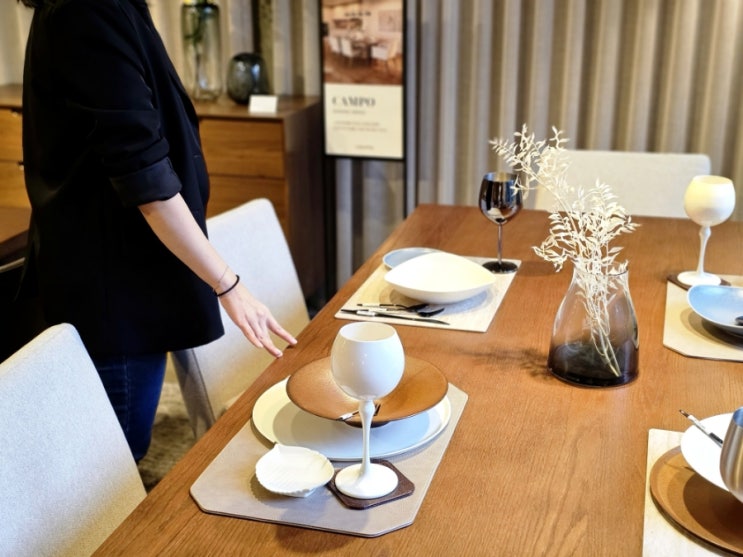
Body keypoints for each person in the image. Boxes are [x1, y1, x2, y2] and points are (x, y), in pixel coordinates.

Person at [16, 0, 298, 461]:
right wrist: (228, 285)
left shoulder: (108, 8)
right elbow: (145, 177)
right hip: (113, 292)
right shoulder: (87, 11)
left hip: (128, 276)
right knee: (114, 469)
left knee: (121, 452)